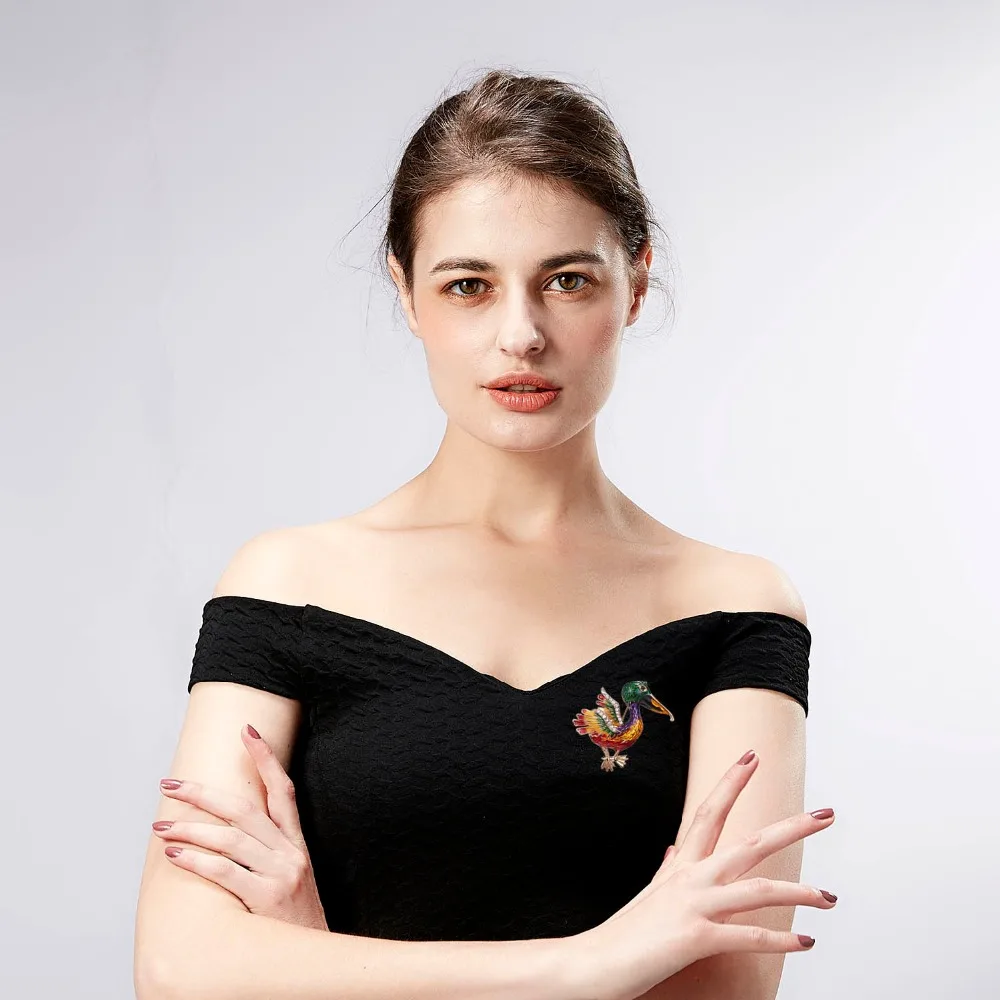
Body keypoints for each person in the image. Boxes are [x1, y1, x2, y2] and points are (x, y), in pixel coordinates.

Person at [133, 68, 836, 1000]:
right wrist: (593, 964)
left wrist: (312, 961)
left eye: (567, 281)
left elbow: (724, 990)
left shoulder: (732, 606)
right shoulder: (289, 583)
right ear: (407, 291)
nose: (521, 335)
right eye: (468, 285)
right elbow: (178, 971)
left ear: (635, 283)